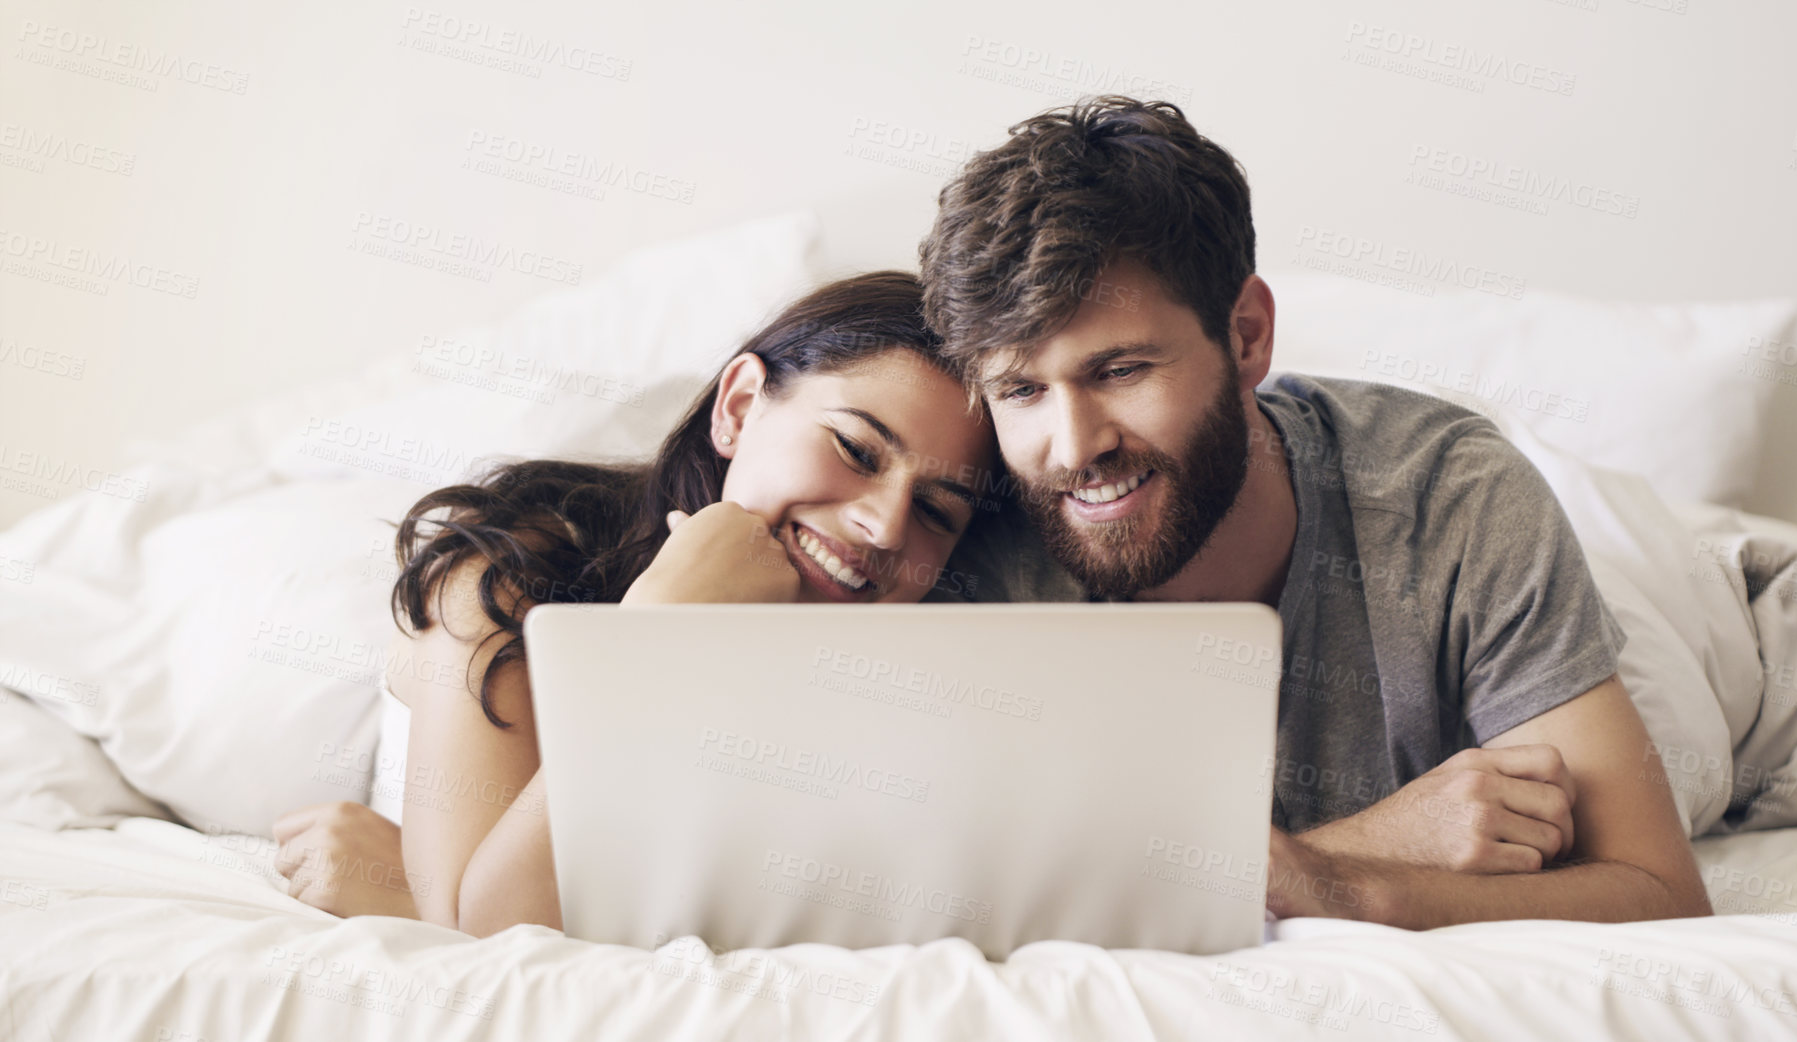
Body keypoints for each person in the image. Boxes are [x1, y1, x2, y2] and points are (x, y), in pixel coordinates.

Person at [918, 96, 1712, 928]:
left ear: (1249, 335)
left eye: (1120, 370)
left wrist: (1340, 889)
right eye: (1022, 390)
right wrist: (1373, 845)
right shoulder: (975, 541)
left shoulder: (1454, 497)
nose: (1074, 446)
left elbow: (1660, 893)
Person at [271, 272, 999, 934]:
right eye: (856, 450)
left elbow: (470, 918)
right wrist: (661, 632)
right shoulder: (510, 574)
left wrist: (409, 892)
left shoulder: (897, 679)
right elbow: (499, 937)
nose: (885, 525)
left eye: (937, 510)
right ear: (740, 408)